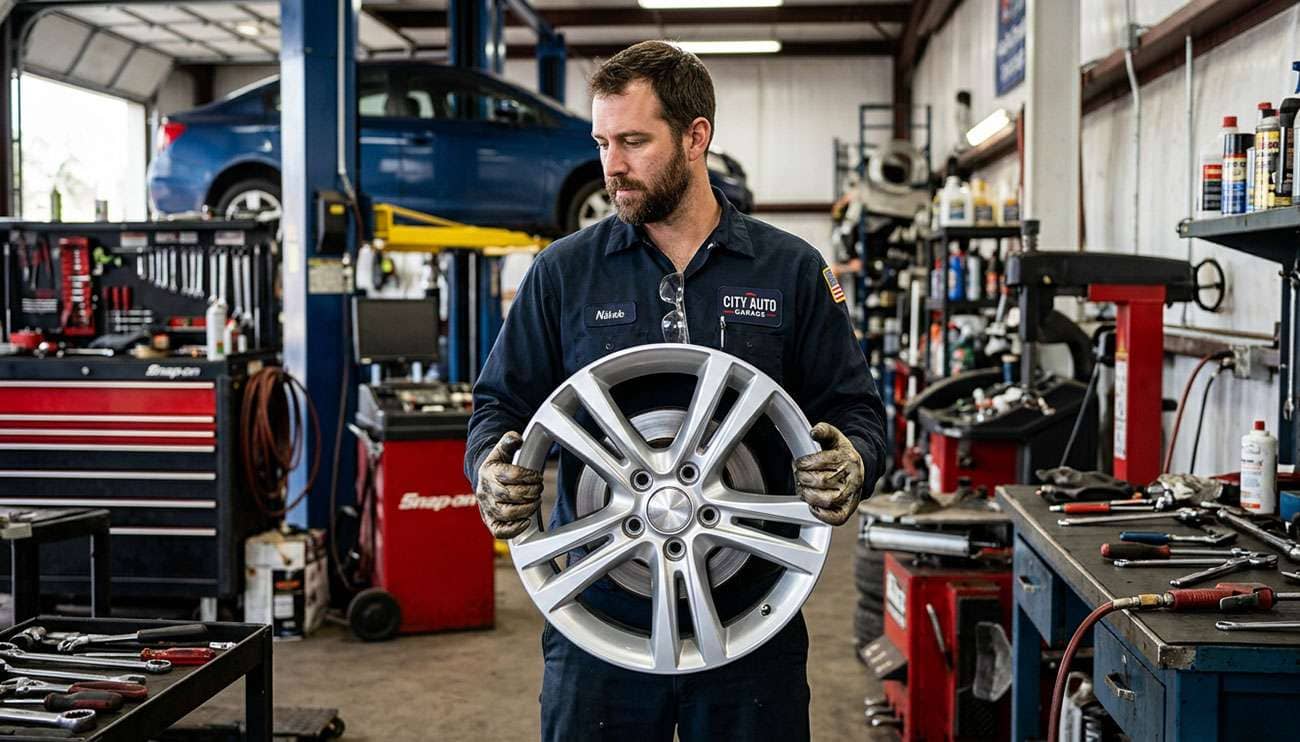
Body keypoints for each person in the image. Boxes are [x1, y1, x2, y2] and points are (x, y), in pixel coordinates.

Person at [465, 40, 887, 742]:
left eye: (633, 140)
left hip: (753, 617)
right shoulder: (564, 274)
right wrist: (489, 467)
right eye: (602, 142)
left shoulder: (789, 269)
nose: (611, 166)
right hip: (603, 614)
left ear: (696, 138)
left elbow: (854, 410)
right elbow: (499, 407)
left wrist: (854, 460)